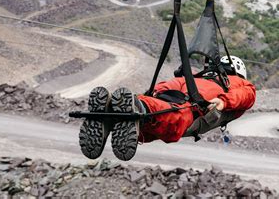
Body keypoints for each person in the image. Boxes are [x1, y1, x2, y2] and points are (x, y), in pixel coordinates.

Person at [78, 56, 256, 161]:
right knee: (174, 119)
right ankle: (137, 109)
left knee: (155, 110)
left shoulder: (197, 76)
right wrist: (224, 102)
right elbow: (248, 95)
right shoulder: (237, 83)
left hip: (182, 87)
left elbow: (163, 87)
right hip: (194, 106)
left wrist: (151, 95)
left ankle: (115, 114)